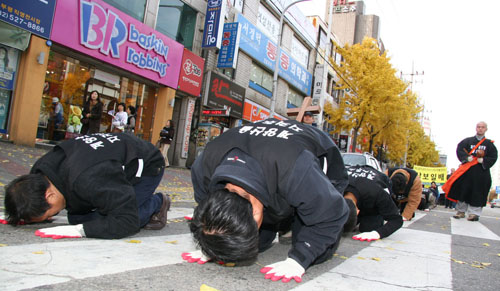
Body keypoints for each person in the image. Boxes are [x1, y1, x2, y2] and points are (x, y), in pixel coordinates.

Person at [183, 119, 349, 283]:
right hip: (268, 165)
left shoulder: (298, 172)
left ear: (256, 215)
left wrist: (298, 260)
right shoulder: (203, 169)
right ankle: (273, 228)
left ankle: (286, 222)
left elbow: (332, 214)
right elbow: (212, 221)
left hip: (314, 154)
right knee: (245, 245)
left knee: (316, 248)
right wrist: (213, 243)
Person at [3, 133, 171, 239]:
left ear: (49, 196)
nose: (49, 218)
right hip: (110, 160)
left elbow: (127, 221)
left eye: (46, 214)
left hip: (146, 163)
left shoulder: (90, 179)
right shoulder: (39, 172)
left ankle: (158, 202)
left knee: (131, 216)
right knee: (76, 217)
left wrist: (81, 230)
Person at [443, 121, 497, 221]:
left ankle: (474, 214)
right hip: (467, 172)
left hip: (481, 173)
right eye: (478, 127)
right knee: (463, 190)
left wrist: (484, 161)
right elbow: (459, 149)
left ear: (486, 129)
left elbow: (494, 157)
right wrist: (466, 158)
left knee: (478, 192)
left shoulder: (489, 144)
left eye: (482, 127)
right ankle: (461, 211)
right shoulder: (467, 141)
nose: (480, 129)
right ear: (476, 128)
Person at [343, 165, 403, 241]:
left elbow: (397, 220)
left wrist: (377, 233)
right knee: (345, 225)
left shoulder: (377, 193)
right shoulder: (334, 185)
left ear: (358, 211)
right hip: (357, 179)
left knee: (368, 228)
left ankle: (375, 217)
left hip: (376, 186)